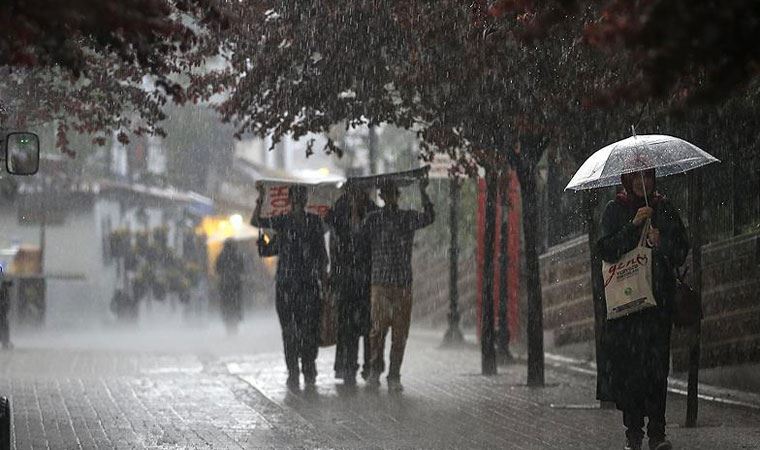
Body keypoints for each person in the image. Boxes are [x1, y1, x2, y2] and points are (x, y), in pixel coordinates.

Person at [597, 169, 689, 450]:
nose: (642, 182)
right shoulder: (615, 210)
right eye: (636, 177)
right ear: (627, 180)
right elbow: (605, 249)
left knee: (657, 370)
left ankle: (657, 434)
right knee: (631, 372)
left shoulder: (663, 207)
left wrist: (663, 243)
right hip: (627, 308)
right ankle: (633, 433)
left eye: (647, 176)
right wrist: (633, 227)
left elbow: (681, 250)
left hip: (657, 306)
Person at [251, 184, 328, 389]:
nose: (298, 201)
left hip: (308, 285)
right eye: (296, 197)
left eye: (301, 197)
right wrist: (261, 198)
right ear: (291, 200)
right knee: (290, 331)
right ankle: (294, 370)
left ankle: (308, 368)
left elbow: (321, 255)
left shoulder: (313, 223)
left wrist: (324, 280)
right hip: (287, 286)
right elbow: (257, 222)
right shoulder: (283, 222)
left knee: (309, 330)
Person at [362, 176, 435, 392]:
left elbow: (429, 217)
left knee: (400, 333)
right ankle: (375, 370)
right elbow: (357, 237)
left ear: (397, 196)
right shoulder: (373, 219)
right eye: (386, 193)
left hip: (402, 282)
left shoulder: (407, 218)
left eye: (393, 193)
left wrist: (424, 192)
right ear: (382, 196)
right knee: (378, 329)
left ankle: (394, 374)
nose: (390, 197)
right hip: (381, 283)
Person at [325, 184, 379, 386]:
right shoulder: (339, 209)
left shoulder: (372, 211)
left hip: (366, 278)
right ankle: (348, 366)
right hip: (346, 278)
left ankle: (369, 366)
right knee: (347, 326)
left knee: (367, 326)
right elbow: (334, 239)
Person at [215, 239, 245, 335]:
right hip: (236, 285)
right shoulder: (238, 255)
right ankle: (234, 326)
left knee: (226, 306)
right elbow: (242, 268)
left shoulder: (221, 256)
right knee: (235, 305)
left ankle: (228, 327)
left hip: (225, 285)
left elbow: (217, 269)